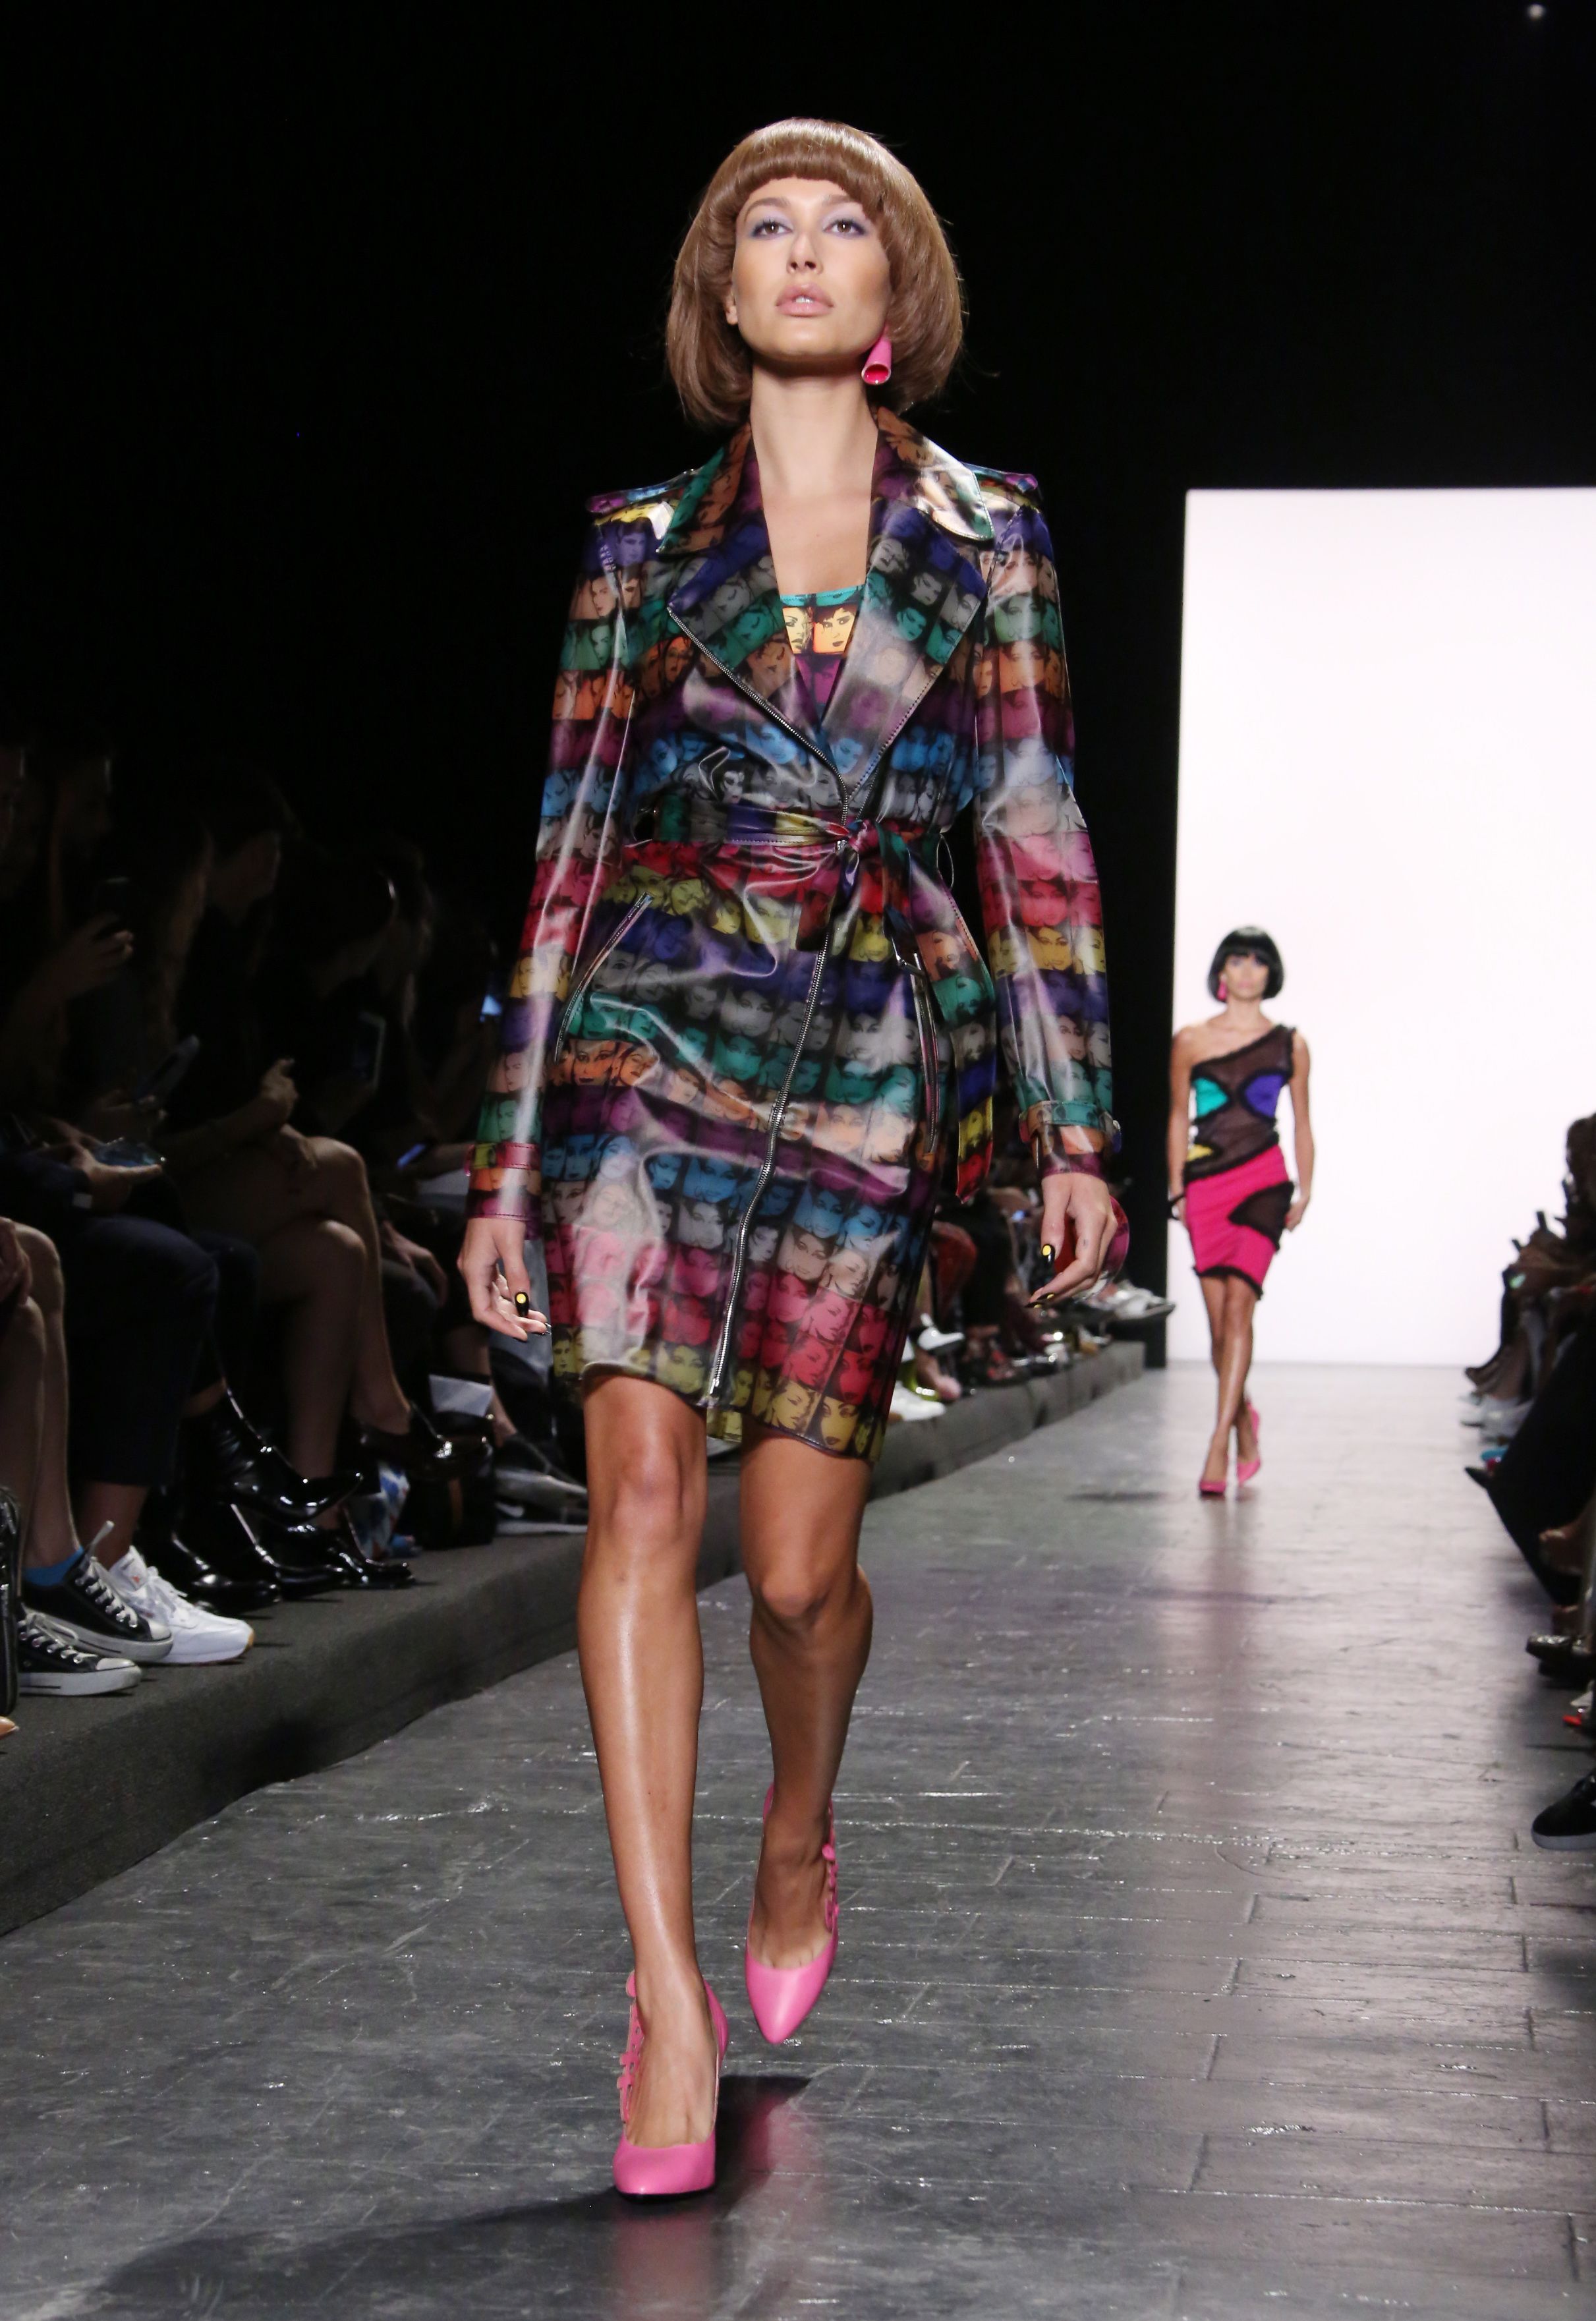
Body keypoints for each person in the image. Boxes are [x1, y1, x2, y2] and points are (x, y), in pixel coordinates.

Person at [460, 118, 1121, 2197]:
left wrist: (1075, 1128)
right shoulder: (641, 543)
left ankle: (792, 1823)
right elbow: (565, 853)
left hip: (865, 1056)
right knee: (642, 1492)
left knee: (801, 1569)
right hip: (649, 1029)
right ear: (719, 291)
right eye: (768, 224)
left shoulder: (989, 534)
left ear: (897, 291)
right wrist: (502, 1163)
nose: (808, 250)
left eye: (848, 225)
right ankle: (663, 1994)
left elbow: (1028, 827)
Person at [1168, 927, 1313, 1497]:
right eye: (1238, 959)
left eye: (1259, 961)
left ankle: (1217, 1446)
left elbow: (1302, 1121)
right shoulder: (1191, 1041)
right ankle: (1244, 1425)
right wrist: (1176, 1188)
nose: (1248, 969)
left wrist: (1306, 1189)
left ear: (1270, 973)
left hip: (1264, 1184)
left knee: (1237, 1314)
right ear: (1222, 971)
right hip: (1206, 1185)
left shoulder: (1290, 1044)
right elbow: (1178, 1116)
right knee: (1216, 1329)